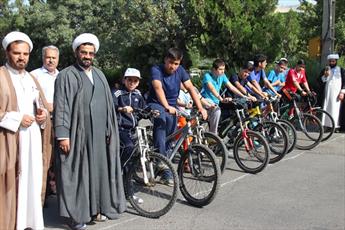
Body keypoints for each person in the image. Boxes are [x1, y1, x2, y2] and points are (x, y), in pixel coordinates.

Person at [53, 33, 126, 229]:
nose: (87, 56)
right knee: (77, 175)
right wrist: (62, 135)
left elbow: (109, 106)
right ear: (76, 52)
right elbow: (61, 106)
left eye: (90, 53)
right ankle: (75, 217)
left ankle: (95, 209)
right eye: (83, 52)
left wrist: (110, 129)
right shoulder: (66, 75)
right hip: (78, 135)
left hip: (100, 136)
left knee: (97, 174)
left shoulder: (100, 74)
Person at [0, 31, 50, 230]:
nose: (21, 57)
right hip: (9, 142)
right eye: (16, 53)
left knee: (32, 181)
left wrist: (43, 115)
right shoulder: (1, 76)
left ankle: (30, 223)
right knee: (11, 185)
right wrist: (18, 118)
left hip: (32, 141)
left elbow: (42, 105)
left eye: (25, 54)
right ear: (7, 53)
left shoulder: (31, 78)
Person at [147, 47, 207, 186]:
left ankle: (163, 170)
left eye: (176, 63)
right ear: (165, 60)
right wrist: (167, 106)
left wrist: (200, 107)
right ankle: (161, 163)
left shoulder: (180, 71)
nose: (173, 66)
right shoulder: (156, 69)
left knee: (171, 138)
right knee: (162, 122)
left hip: (173, 107)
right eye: (170, 62)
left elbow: (191, 88)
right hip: (156, 104)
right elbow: (158, 88)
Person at [31, 45, 60, 203]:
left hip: (60, 120)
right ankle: (40, 196)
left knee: (58, 158)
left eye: (54, 58)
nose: (51, 60)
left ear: (58, 59)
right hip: (42, 122)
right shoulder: (34, 75)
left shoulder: (62, 76)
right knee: (43, 158)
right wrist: (48, 106)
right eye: (48, 57)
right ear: (43, 58)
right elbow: (33, 99)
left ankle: (54, 187)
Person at [200, 58, 249, 134]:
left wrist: (243, 96)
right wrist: (221, 99)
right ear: (214, 69)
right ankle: (213, 135)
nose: (223, 71)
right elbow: (212, 89)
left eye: (223, 69)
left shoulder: (222, 76)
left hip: (216, 102)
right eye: (220, 69)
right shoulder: (207, 76)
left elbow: (231, 87)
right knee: (217, 111)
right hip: (205, 100)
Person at [113, 67, 146, 168]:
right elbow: (111, 106)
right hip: (120, 128)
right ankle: (119, 169)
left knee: (139, 148)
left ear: (138, 83)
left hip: (133, 130)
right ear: (124, 80)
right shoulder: (118, 93)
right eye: (129, 80)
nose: (132, 83)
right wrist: (122, 109)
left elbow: (144, 108)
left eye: (135, 81)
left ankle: (129, 173)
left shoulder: (138, 94)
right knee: (129, 146)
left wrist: (152, 111)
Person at [319, 54, 345, 132]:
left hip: (337, 94)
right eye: (330, 61)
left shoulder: (341, 70)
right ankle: (326, 126)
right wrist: (325, 76)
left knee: (336, 109)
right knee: (326, 108)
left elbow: (344, 82)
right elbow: (320, 81)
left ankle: (336, 126)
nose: (332, 63)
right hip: (327, 93)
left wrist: (342, 92)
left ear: (336, 61)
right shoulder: (325, 69)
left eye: (333, 61)